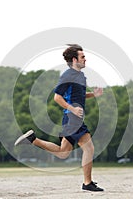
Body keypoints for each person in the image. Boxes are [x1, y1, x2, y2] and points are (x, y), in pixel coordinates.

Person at [14, 44, 104, 191]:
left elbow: (79, 95)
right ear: (75, 59)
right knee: (89, 148)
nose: (85, 59)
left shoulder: (80, 76)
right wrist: (72, 109)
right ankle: (87, 183)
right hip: (72, 117)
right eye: (83, 57)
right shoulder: (68, 76)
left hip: (72, 118)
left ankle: (33, 139)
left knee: (63, 153)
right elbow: (57, 97)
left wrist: (93, 94)